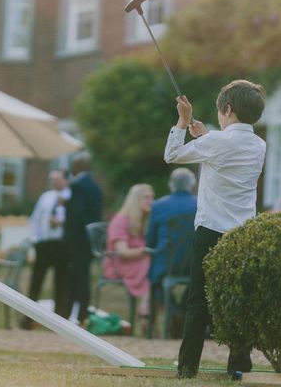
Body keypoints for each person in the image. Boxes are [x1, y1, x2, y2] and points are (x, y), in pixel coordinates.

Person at [164, 80, 266, 380]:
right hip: (243, 232)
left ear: (228, 109)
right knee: (238, 298)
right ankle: (237, 366)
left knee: (198, 301)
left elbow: (172, 155)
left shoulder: (217, 143)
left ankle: (187, 367)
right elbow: (225, 154)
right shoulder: (259, 145)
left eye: (220, 112)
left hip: (211, 229)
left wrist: (183, 122)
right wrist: (207, 136)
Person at [145, 168, 197, 335]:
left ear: (171, 185)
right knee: (198, 280)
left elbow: (150, 240)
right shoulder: (201, 204)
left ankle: (173, 311)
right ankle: (182, 311)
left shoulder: (158, 205)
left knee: (155, 279)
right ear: (192, 185)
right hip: (193, 263)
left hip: (166, 263)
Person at [20, 169, 71, 328]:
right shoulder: (46, 197)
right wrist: (36, 239)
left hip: (62, 244)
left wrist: (61, 223)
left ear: (66, 180)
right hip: (44, 244)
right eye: (52, 179)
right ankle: (28, 319)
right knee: (36, 281)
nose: (55, 181)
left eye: (58, 179)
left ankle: (59, 321)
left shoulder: (71, 196)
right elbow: (35, 218)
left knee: (61, 282)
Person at [103, 183, 154, 326]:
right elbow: (123, 252)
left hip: (137, 260)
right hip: (118, 263)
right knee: (150, 262)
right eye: (146, 197)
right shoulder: (121, 220)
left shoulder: (144, 220)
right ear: (135, 200)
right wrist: (145, 251)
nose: (151, 201)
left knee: (155, 265)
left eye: (152, 197)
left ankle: (148, 311)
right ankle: (145, 307)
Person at [64, 152, 103, 324]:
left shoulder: (78, 186)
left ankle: (76, 313)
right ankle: (82, 313)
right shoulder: (95, 186)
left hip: (78, 238)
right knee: (84, 275)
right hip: (89, 238)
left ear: (79, 165)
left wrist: (68, 237)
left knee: (77, 276)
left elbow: (76, 215)